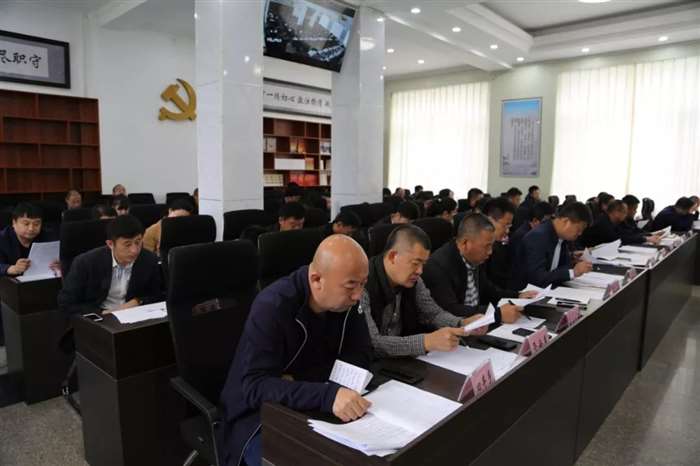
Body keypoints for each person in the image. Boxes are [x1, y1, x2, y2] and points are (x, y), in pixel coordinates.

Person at [221, 235, 372, 466]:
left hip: (314, 402)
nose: (358, 295)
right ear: (316, 279)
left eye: (363, 283)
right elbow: (255, 387)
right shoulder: (272, 306)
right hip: (256, 417)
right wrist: (325, 394)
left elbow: (362, 354)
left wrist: (307, 383)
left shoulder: (347, 303)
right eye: (351, 285)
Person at [362, 225, 488, 358]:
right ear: (393, 256)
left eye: (423, 264)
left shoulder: (414, 280)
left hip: (405, 359)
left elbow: (432, 314)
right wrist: (426, 342)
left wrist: (461, 324)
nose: (420, 271)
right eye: (415, 263)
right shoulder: (362, 284)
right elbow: (374, 343)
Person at [424, 213, 536, 325]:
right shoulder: (438, 266)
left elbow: (487, 289)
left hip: (478, 323)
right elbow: (451, 309)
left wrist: (517, 295)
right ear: (465, 243)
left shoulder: (475, 257)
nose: (490, 252)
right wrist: (497, 314)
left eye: (491, 245)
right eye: (487, 246)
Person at [57, 215, 163, 316]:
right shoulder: (86, 263)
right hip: (100, 317)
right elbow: (66, 303)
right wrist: (102, 313)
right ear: (110, 244)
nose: (134, 250)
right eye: (127, 244)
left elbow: (157, 295)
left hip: (133, 315)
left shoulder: (148, 259)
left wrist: (137, 301)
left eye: (138, 242)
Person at [512, 201, 593, 290]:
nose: (580, 233)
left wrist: (573, 261)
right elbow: (537, 278)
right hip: (529, 292)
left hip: (549, 289)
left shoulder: (562, 237)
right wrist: (573, 272)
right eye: (579, 229)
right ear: (566, 221)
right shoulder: (538, 237)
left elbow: (563, 266)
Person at [0, 203, 58, 277]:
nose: (31, 228)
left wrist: (59, 265)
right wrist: (11, 268)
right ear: (14, 223)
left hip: (40, 279)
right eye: (26, 224)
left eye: (36, 224)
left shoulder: (49, 236)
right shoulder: (2, 238)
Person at [482, 198, 516, 290]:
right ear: (489, 220)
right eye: (505, 225)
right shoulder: (476, 249)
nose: (507, 231)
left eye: (509, 226)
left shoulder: (499, 245)